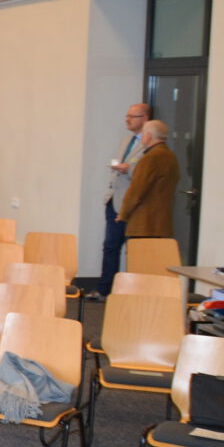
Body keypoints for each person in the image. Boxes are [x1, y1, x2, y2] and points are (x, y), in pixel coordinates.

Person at [89, 103, 150, 301]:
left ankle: (131, 293)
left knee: (134, 250)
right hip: (114, 201)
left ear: (145, 118)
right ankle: (105, 289)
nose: (127, 119)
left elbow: (144, 172)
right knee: (110, 247)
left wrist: (129, 169)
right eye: (127, 116)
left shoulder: (150, 144)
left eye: (132, 116)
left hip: (134, 206)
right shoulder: (126, 140)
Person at [118, 119, 179, 241]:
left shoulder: (150, 158)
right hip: (162, 222)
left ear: (148, 136)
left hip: (144, 223)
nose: (141, 138)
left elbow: (136, 190)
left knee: (141, 253)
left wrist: (123, 213)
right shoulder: (171, 156)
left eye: (143, 134)